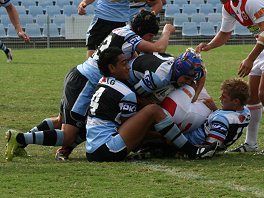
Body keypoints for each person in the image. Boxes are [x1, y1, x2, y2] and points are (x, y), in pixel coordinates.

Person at [4, 10, 174, 161]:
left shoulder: (122, 32)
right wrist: (166, 31)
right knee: (69, 135)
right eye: (151, 35)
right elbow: (158, 47)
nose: (151, 40)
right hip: (85, 82)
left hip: (80, 77)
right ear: (141, 31)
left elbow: (138, 57)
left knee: (61, 120)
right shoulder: (130, 36)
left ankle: (20, 144)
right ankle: (20, 139)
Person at [196, 0, 264, 155]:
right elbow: (225, 33)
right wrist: (209, 45)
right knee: (252, 97)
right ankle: (251, 143)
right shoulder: (228, 7)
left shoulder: (251, 2)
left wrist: (250, 59)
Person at [85, 47, 218, 162]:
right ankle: (191, 151)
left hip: (93, 149)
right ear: (112, 68)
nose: (128, 67)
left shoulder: (102, 82)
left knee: (152, 114)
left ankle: (159, 145)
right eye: (124, 63)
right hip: (109, 149)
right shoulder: (127, 93)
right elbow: (133, 128)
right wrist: (164, 135)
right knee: (153, 110)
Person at [77, 0, 163, 58]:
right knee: (93, 52)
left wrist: (150, 16)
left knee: (125, 54)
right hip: (102, 19)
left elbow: (158, 2)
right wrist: (84, 3)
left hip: (121, 22)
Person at [128, 48, 206, 107]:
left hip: (147, 63)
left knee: (191, 87)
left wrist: (195, 97)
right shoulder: (158, 78)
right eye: (187, 78)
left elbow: (202, 75)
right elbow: (134, 96)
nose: (189, 82)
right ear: (179, 71)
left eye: (192, 79)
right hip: (130, 79)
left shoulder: (178, 66)